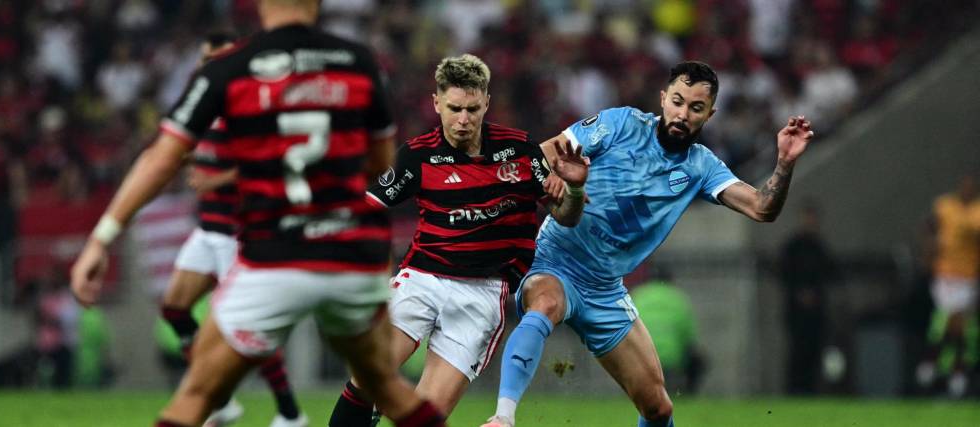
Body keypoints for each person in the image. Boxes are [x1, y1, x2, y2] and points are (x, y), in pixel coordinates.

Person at [70, 1, 447, 426]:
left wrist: (103, 236)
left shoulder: (232, 66)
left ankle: (284, 413)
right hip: (352, 256)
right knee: (388, 390)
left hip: (274, 252)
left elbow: (162, 158)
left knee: (197, 394)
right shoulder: (358, 62)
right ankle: (292, 414)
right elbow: (380, 165)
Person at [481, 61, 815, 427]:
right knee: (544, 304)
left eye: (696, 108)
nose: (683, 114)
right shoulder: (620, 123)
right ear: (663, 98)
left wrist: (784, 163)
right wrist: (547, 184)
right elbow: (545, 154)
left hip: (606, 289)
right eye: (677, 101)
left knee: (659, 409)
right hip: (557, 258)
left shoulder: (701, 166)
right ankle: (503, 418)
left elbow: (762, 208)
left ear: (710, 114)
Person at [328, 54, 589, 426]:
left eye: (471, 109)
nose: (463, 120)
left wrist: (575, 190)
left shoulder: (520, 151)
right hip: (422, 279)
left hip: (482, 296)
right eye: (453, 109)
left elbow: (566, 216)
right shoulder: (417, 156)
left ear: (486, 103)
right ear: (437, 103)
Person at [158, 30, 304, 427]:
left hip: (236, 233)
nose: (209, 65)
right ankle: (222, 400)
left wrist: (216, 179)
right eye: (206, 58)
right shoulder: (205, 104)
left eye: (217, 57)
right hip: (207, 229)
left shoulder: (251, 106)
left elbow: (271, 162)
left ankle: (290, 413)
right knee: (174, 308)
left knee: (249, 330)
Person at [915, 174, 980, 398]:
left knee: (961, 327)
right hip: (945, 275)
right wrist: (928, 250)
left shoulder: (978, 212)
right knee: (945, 323)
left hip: (968, 277)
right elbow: (928, 227)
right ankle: (944, 371)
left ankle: (944, 370)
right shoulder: (945, 206)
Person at [779, 204, 837, 395]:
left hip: (816, 313)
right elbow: (784, 273)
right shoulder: (793, 247)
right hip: (796, 312)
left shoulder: (819, 247)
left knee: (814, 351)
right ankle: (795, 390)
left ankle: (810, 390)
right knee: (798, 352)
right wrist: (799, 294)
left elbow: (828, 275)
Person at [628, 267, 704, 394]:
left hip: (641, 356)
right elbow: (689, 336)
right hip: (671, 357)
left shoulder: (638, 295)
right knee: (698, 362)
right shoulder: (677, 298)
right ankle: (687, 395)